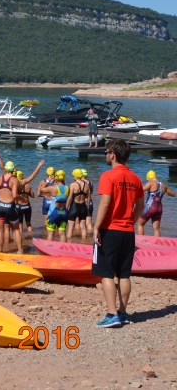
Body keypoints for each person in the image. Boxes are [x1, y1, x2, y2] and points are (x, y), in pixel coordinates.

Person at [92, 140, 143, 328]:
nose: (106, 155)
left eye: (107, 152)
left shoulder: (108, 176)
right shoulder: (136, 178)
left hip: (110, 230)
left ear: (113, 154)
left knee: (106, 273)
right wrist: (131, 221)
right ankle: (122, 312)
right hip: (128, 231)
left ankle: (112, 314)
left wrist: (96, 227)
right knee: (124, 274)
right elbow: (140, 206)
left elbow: (105, 203)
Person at [137, 170, 174, 236]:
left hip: (151, 207)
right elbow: (173, 194)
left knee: (140, 224)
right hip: (159, 208)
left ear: (148, 178)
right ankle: (157, 243)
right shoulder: (163, 185)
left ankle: (142, 241)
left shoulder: (150, 183)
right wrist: (168, 194)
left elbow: (140, 190)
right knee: (156, 228)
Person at [66, 169, 93, 242]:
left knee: (70, 228)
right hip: (83, 206)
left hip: (74, 207)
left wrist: (66, 208)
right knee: (83, 228)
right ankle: (84, 243)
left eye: (73, 175)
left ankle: (69, 244)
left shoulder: (73, 185)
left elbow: (70, 198)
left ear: (75, 176)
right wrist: (87, 208)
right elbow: (89, 198)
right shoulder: (87, 185)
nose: (72, 176)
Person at [45, 171, 69, 242]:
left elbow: (41, 189)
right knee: (62, 233)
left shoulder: (53, 188)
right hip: (64, 212)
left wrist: (48, 181)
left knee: (50, 233)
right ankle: (64, 248)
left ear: (56, 177)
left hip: (53, 212)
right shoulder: (67, 188)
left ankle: (49, 249)